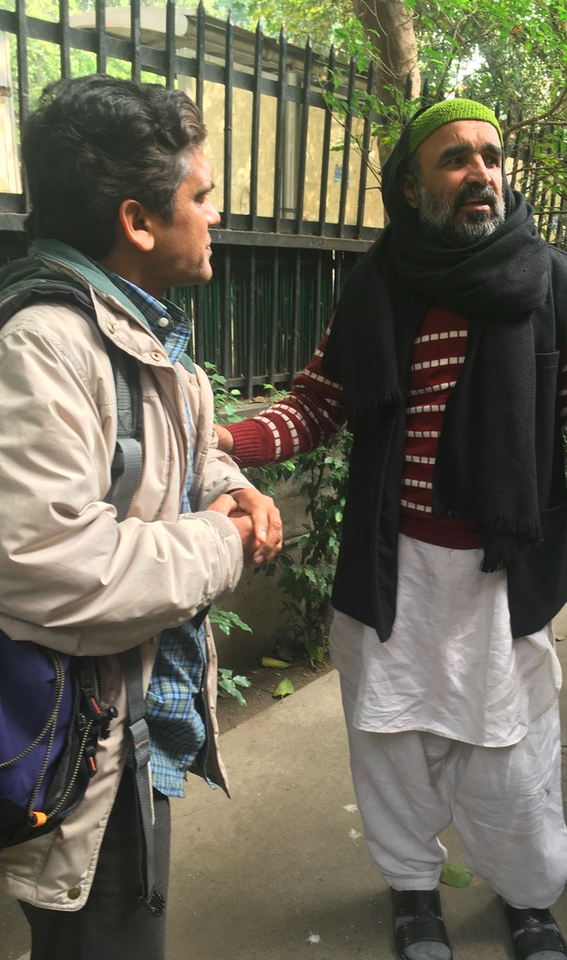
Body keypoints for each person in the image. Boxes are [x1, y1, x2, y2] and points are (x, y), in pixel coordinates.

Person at [214, 99, 567, 960]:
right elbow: (321, 400)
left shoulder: (550, 277)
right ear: (413, 183)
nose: (481, 171)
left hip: (501, 570)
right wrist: (228, 438)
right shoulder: (375, 284)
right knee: (393, 744)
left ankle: (527, 899)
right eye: (455, 159)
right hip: (391, 563)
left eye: (491, 155)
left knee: (511, 754)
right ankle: (412, 893)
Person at [0, 75, 282, 960]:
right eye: (200, 197)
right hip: (67, 743)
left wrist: (233, 485)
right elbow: (51, 562)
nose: (214, 217)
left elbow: (180, 459)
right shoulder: (44, 346)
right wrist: (227, 539)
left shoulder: (146, 339)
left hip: (124, 726)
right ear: (138, 221)